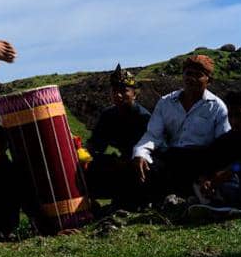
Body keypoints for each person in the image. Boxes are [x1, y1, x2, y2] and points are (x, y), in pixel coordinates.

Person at [131, 55, 229, 201]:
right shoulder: (166, 103)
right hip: (172, 157)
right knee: (142, 166)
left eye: (198, 75)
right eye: (189, 73)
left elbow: (224, 144)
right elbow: (153, 135)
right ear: (182, 75)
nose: (192, 79)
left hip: (200, 161)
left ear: (209, 80)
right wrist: (140, 153)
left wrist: (214, 173)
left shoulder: (217, 107)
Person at [84, 64, 152, 209]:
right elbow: (96, 144)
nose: (118, 95)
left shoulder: (143, 117)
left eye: (124, 91)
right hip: (119, 161)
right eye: (115, 91)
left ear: (134, 93)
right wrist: (82, 153)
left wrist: (129, 159)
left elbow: (149, 147)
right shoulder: (108, 115)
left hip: (139, 162)